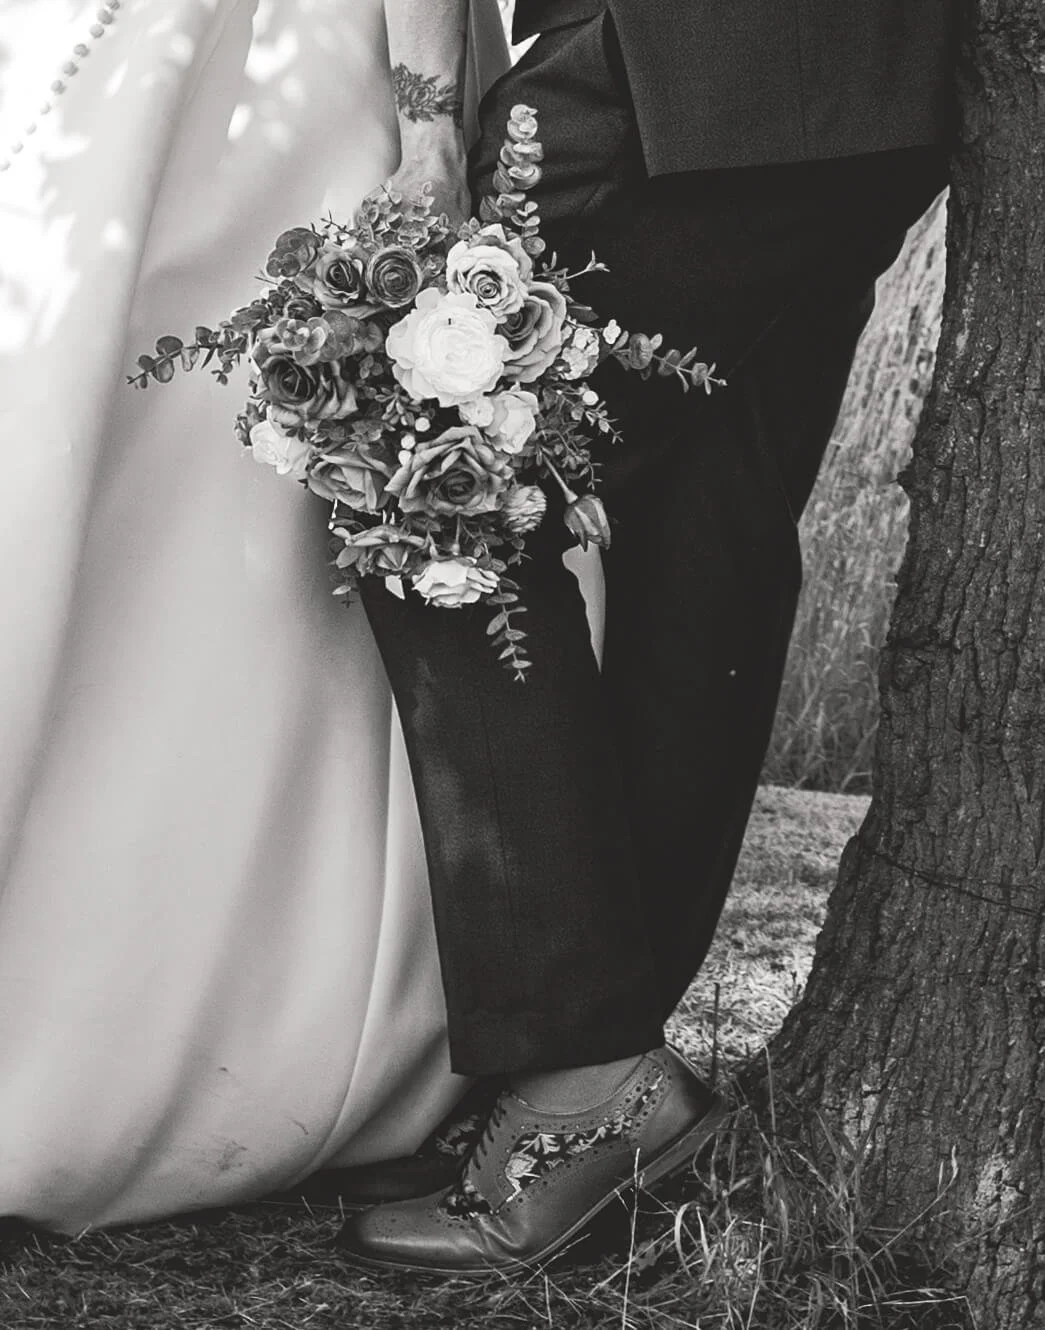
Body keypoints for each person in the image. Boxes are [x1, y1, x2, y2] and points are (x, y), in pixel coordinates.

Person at [336, 0, 957, 1276]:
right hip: (871, 95)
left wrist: (433, 125)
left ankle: (586, 1078)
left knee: (430, 482)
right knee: (701, 548)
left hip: (672, 70)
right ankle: (588, 1091)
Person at [0, 0, 508, 1232]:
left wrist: (426, 130)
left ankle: (184, 1006)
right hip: (172, 85)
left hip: (259, 88)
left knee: (216, 495)